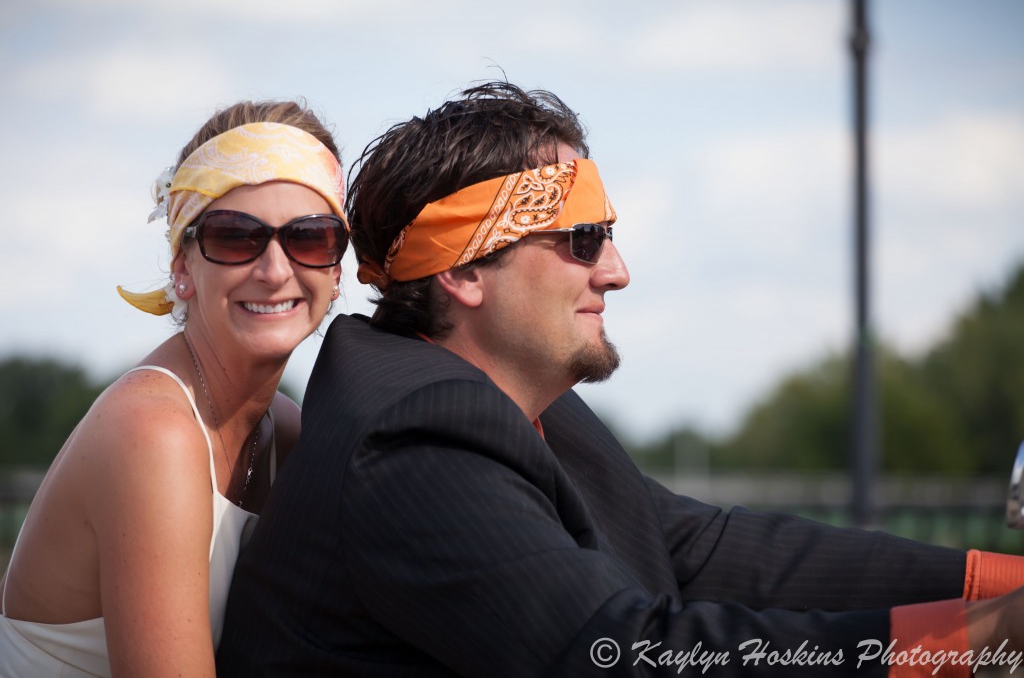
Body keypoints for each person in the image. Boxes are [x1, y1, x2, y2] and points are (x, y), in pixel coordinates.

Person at [217, 83, 1024, 677]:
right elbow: (617, 654)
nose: (618, 272)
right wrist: (975, 643)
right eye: (582, 239)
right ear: (465, 272)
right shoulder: (411, 439)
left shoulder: (515, 403)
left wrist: (999, 582)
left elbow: (702, 549)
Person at [0, 100, 348, 677]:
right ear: (182, 268)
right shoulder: (154, 432)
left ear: (335, 271)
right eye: (236, 237)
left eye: (309, 238)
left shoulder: (281, 430)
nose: (275, 269)